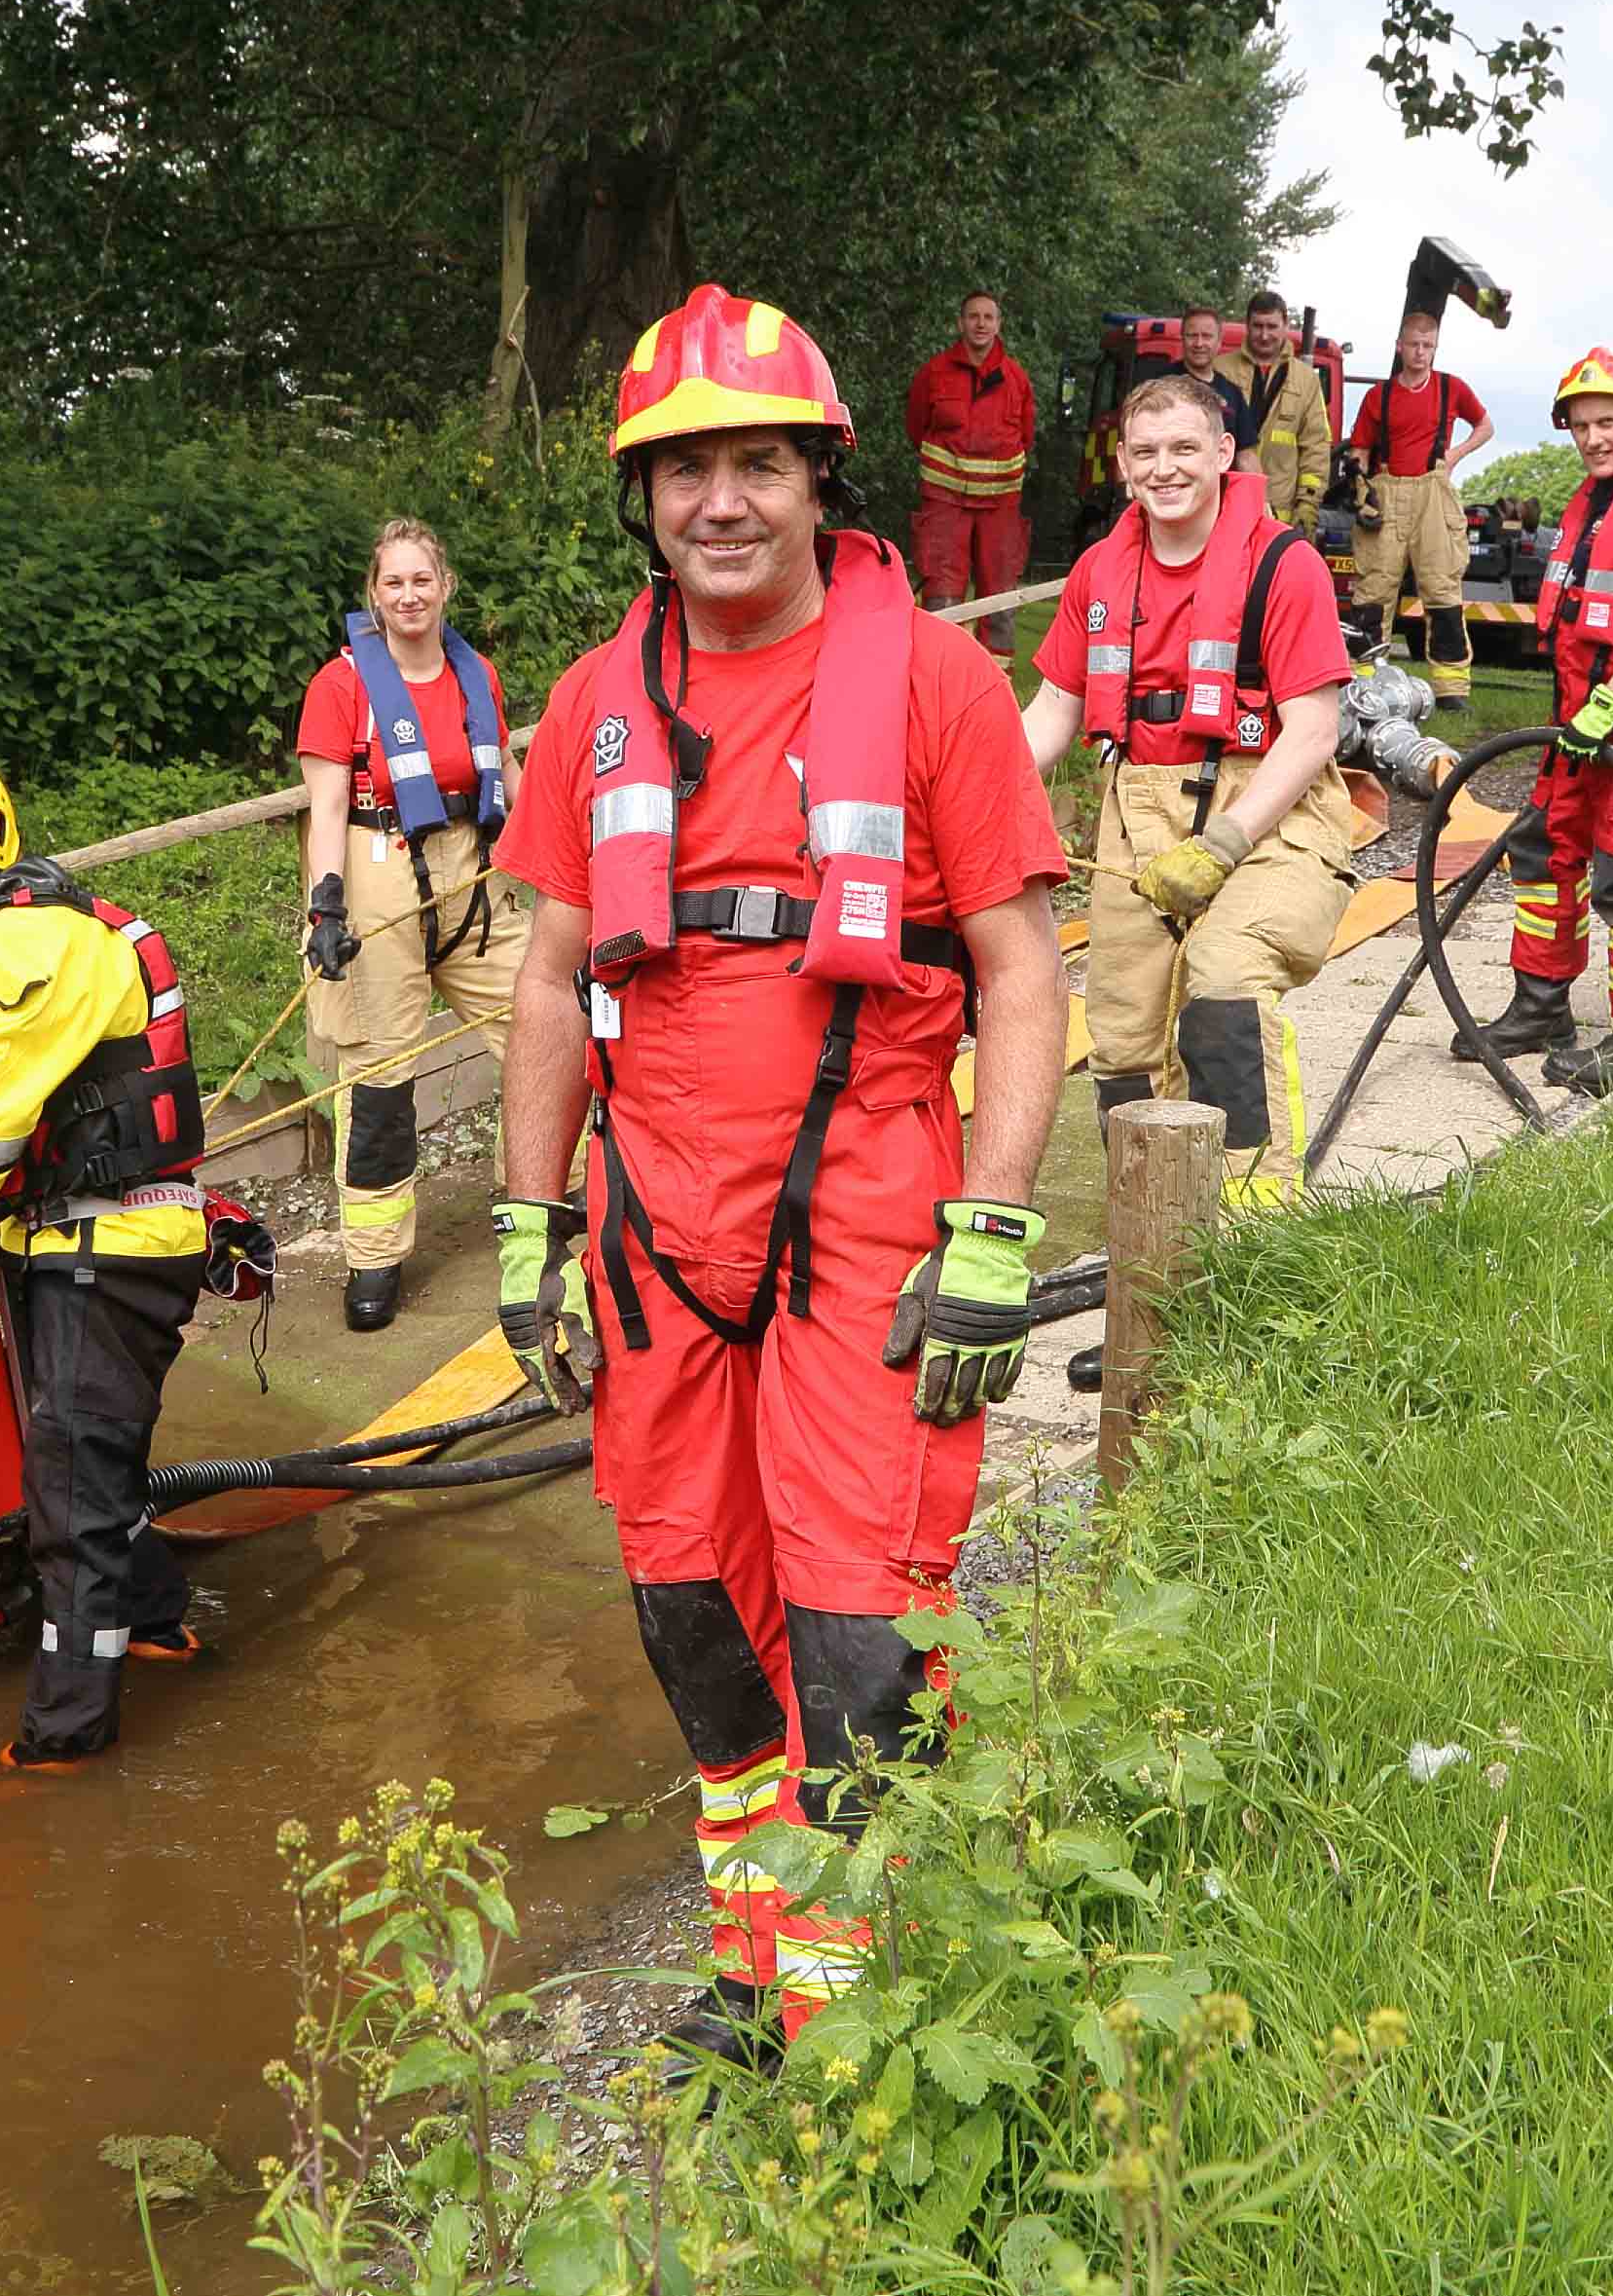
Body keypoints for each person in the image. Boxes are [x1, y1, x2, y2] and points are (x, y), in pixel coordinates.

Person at [492, 284, 1071, 2072]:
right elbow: (544, 973)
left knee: (858, 1614)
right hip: (654, 1221)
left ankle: (886, 1986)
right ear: (640, 502)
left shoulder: (939, 685)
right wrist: (525, 1221)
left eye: (755, 463)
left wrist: (992, 1223)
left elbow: (1024, 961)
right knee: (691, 1602)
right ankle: (768, 1961)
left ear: (820, 478)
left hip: (867, 1202)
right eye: (682, 472)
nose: (718, 502)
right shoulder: (598, 699)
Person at [0, 744, 211, 1773]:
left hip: (102, 1243)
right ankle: (153, 1621)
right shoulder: (40, 926)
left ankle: (65, 1744)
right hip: (88, 1237)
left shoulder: (24, 941)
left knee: (69, 1497)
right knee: (92, 1462)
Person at [1017, 374, 1355, 1208]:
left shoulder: (1284, 565)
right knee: (1124, 1048)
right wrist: (971, 799)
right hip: (1136, 823)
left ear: (1222, 454)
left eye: (1182, 449)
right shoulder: (1100, 572)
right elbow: (1054, 711)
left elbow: (1313, 732)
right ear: (1124, 467)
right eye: (1145, 453)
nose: (1164, 469)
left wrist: (1224, 845)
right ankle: (1154, 1261)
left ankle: (1257, 1239)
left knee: (1224, 985)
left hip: (1269, 822)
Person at [1448, 350, 1613, 1097]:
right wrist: (1584, 712)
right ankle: (1541, 1009)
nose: (1594, 437)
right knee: (1542, 849)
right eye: (1582, 424)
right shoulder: (1593, 501)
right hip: (1583, 720)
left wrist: (1611, 704)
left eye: (1608, 421)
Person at [294, 518, 526, 1331]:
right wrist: (325, 905)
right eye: (393, 582)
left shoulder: (476, 676)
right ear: (374, 594)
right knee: (381, 1080)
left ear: (446, 584)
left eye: (421, 579)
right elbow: (325, 807)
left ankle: (536, 1202)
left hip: (470, 877)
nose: (408, 594)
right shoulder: (341, 686)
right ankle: (375, 1260)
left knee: (542, 1027)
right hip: (377, 884)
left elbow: (509, 779)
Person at [1344, 310, 1491, 703]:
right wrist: (1362, 494)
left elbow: (1485, 426)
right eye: (1414, 345)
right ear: (1400, 346)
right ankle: (1364, 682)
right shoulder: (1380, 395)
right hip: (1387, 491)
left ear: (1435, 348)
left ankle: (1451, 690)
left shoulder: (1452, 388)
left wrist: (1456, 454)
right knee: (1374, 589)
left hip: (1433, 493)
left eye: (1429, 346)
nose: (1421, 352)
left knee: (1442, 589)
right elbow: (1358, 449)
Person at [901, 289, 1036, 636]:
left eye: (988, 317)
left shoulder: (1016, 379)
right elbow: (916, 427)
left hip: (1001, 508)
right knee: (943, 599)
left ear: (998, 324)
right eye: (973, 316)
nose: (981, 324)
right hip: (945, 506)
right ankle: (941, 679)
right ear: (960, 323)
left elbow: (1027, 434)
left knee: (1000, 598)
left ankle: (997, 680)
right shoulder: (933, 374)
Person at [1209, 291, 1338, 528]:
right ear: (1247, 325)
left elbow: (1316, 445)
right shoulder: (1220, 369)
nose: (1264, 335)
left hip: (1281, 513)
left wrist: (1308, 503)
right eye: (1258, 326)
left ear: (1285, 326)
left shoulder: (1305, 379)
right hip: (1223, 505)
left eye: (1272, 326)